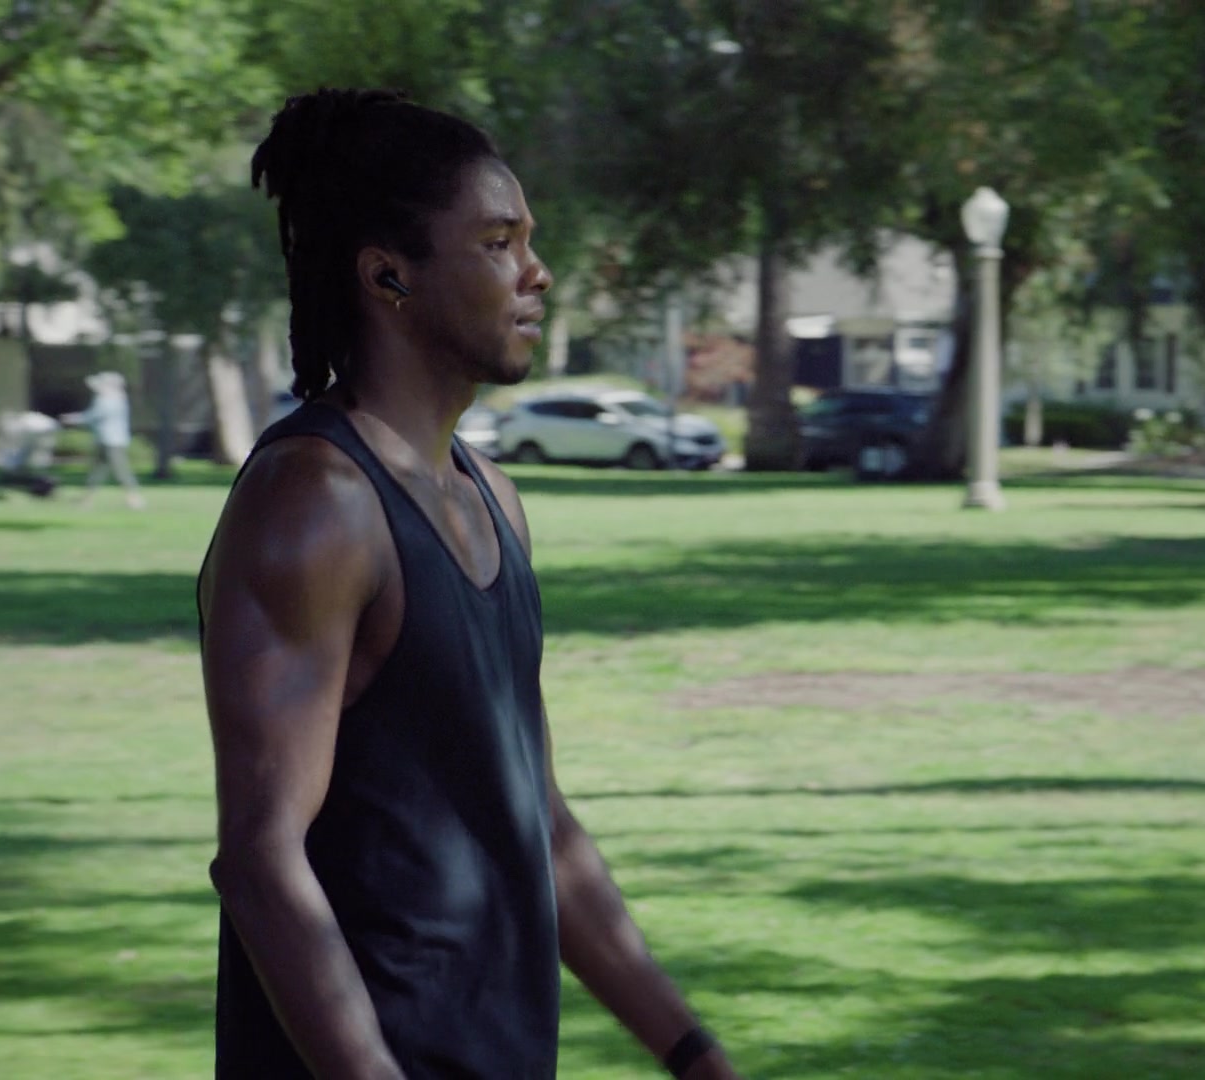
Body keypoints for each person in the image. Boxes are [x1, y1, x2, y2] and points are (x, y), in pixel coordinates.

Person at [197, 89, 739, 1080]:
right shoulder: (314, 503)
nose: (538, 272)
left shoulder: (494, 499)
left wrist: (694, 1052)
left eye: (528, 240)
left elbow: (541, 827)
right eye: (497, 243)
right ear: (388, 275)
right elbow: (262, 859)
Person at [62, 371, 144, 509]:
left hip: (112, 441)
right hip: (106, 439)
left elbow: (94, 415)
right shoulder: (117, 399)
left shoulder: (109, 400)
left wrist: (74, 419)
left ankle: (133, 498)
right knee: (98, 469)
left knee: (120, 469)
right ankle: (87, 499)